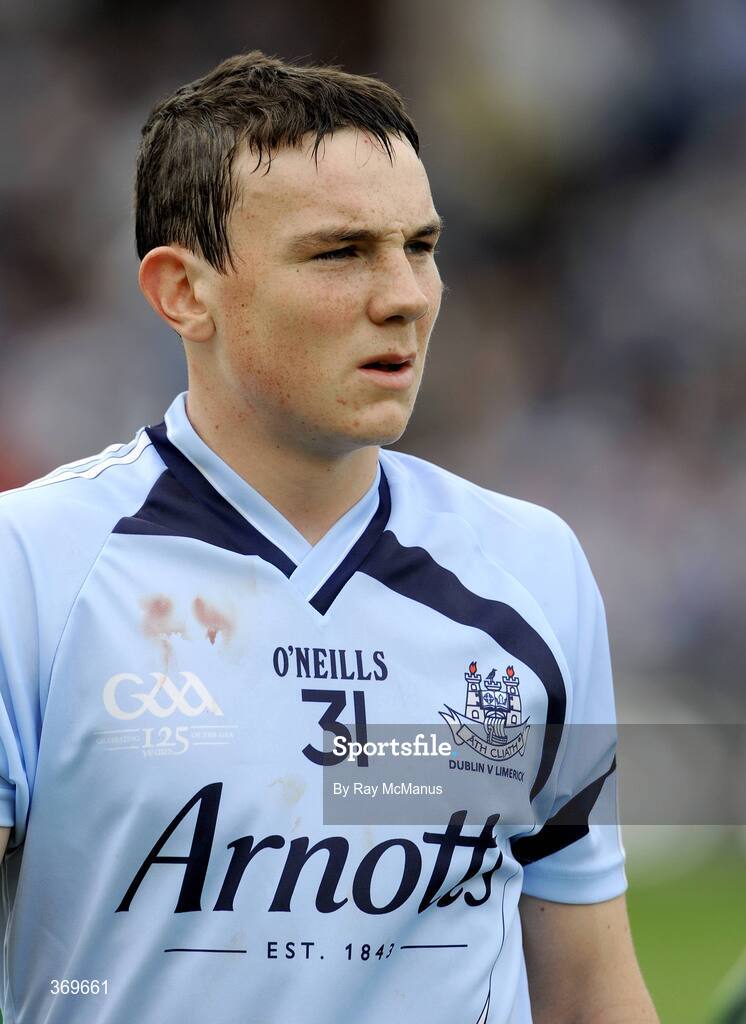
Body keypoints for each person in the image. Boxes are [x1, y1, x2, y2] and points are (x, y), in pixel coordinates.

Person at [0, 51, 658, 1024]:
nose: (405, 295)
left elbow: (588, 989)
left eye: (421, 246)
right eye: (340, 251)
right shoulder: (31, 567)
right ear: (183, 291)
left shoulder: (532, 567)